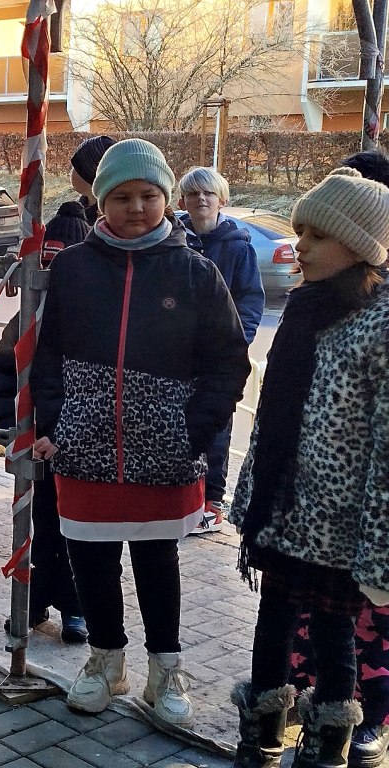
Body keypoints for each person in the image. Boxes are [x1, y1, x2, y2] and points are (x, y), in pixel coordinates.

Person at [30, 138, 250, 726]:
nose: (136, 207)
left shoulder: (196, 272)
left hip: (165, 453)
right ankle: (106, 662)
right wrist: (54, 424)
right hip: (84, 449)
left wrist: (191, 431)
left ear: (166, 198)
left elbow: (229, 362)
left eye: (148, 195)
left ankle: (164, 670)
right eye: (122, 196)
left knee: (157, 562)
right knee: (91, 560)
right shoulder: (74, 268)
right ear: (101, 201)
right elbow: (47, 357)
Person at [228, 167, 389, 768]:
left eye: (318, 236)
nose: (301, 246)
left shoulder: (380, 323)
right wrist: (251, 499)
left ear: (360, 247)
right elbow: (271, 421)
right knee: (270, 623)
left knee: (333, 634)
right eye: (300, 232)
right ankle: (262, 735)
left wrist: (377, 547)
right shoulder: (302, 308)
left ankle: (327, 745)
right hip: (283, 509)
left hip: (338, 524)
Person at [0, 140, 115, 645]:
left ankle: (76, 608)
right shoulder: (27, 321)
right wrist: (11, 424)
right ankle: (35, 598)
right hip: (36, 441)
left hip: (82, 446)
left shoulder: (97, 324)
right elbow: (3, 369)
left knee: (81, 531)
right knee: (37, 521)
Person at [286, 149, 389, 768]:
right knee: (320, 620)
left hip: (367, 514)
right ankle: (316, 710)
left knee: (371, 623)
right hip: (316, 513)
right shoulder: (317, 301)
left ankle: (368, 720)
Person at [177, 166, 265, 534]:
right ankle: (181, 495)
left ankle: (212, 502)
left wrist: (234, 343)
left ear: (221, 200)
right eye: (193, 193)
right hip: (178, 355)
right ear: (182, 200)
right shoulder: (173, 239)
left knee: (217, 427)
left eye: (208, 193)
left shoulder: (238, 246)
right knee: (179, 423)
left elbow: (250, 300)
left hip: (218, 357)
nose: (201, 199)